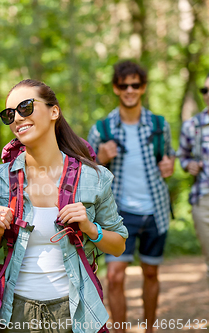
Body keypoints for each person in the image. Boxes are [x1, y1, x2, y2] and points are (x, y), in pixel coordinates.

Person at [0, 79, 128, 333]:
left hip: (75, 312)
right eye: (10, 114)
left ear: (54, 111)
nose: (17, 118)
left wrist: (89, 227)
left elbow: (118, 245)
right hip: (15, 312)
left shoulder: (93, 177)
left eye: (26, 107)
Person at [87, 60, 175, 333]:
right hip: (119, 213)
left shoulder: (160, 125)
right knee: (114, 277)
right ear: (116, 88)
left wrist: (169, 167)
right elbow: (86, 174)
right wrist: (99, 158)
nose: (129, 90)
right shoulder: (102, 129)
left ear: (143, 88)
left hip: (155, 210)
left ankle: (150, 329)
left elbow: (168, 161)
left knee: (151, 273)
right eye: (123, 85)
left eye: (135, 85)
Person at [178, 72, 209, 282]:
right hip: (204, 199)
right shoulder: (192, 125)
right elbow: (182, 156)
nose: (207, 95)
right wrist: (188, 164)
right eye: (205, 90)